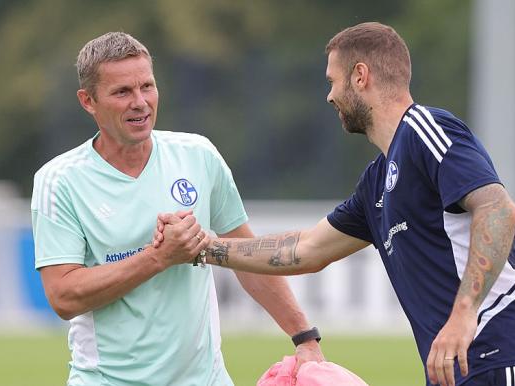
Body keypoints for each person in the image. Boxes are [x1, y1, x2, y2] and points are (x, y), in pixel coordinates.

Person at [156, 22, 515, 386]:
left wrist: (463, 316)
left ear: (360, 76)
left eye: (332, 81)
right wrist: (201, 248)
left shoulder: (425, 129)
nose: (330, 95)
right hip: (459, 368)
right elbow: (306, 250)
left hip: (503, 352)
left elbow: (498, 210)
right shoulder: (375, 182)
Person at [30, 31, 323, 386]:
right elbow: (63, 296)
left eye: (147, 86)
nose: (140, 102)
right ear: (88, 101)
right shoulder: (59, 180)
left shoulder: (197, 155)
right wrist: (159, 257)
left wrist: (304, 337)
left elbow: (248, 259)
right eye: (122, 92)